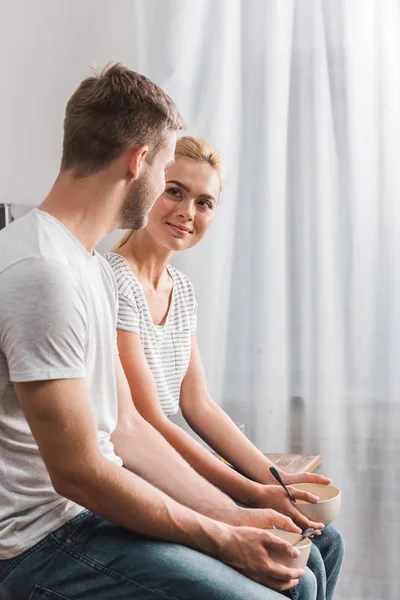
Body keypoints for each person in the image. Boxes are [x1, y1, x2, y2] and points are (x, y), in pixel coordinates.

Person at [0, 65, 317, 600]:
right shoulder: (41, 273)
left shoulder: (88, 266)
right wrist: (223, 535)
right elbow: (77, 474)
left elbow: (128, 427)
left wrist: (236, 513)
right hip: (40, 546)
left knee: (305, 567)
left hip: (85, 518)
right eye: (168, 170)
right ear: (139, 161)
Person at [105, 136, 344, 600]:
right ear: (148, 185)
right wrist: (252, 494)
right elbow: (148, 419)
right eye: (174, 190)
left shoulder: (182, 289)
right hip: (140, 477)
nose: (187, 212)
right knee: (302, 566)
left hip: (170, 465)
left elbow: (200, 405)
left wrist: (272, 479)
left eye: (204, 202)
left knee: (326, 541)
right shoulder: (113, 279)